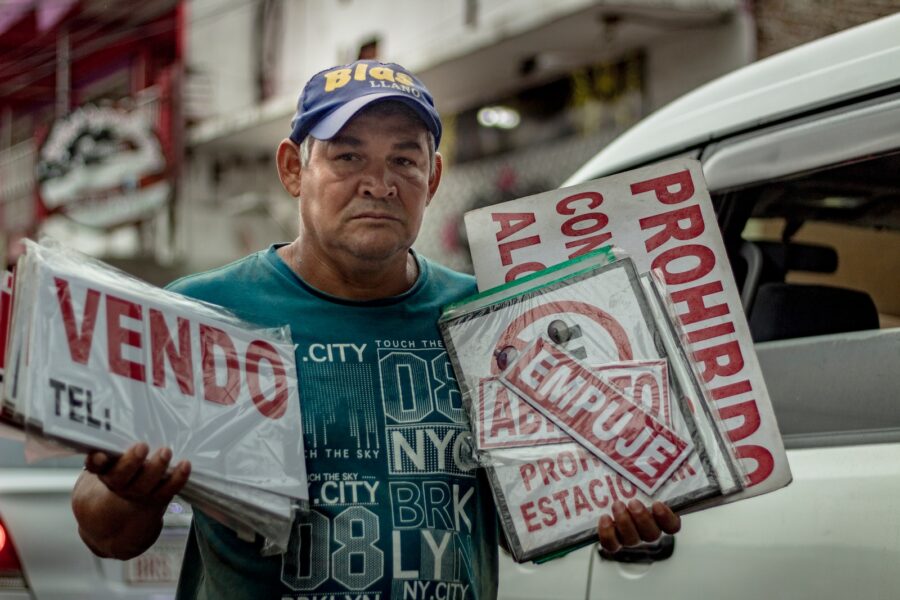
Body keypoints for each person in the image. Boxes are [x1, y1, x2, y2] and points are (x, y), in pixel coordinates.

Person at [71, 60, 680, 600]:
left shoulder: (491, 318)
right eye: (348, 156)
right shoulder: (205, 313)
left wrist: (614, 514)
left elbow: (544, 502)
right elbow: (106, 532)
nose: (379, 183)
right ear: (293, 168)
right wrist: (133, 490)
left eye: (404, 160)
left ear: (432, 180)